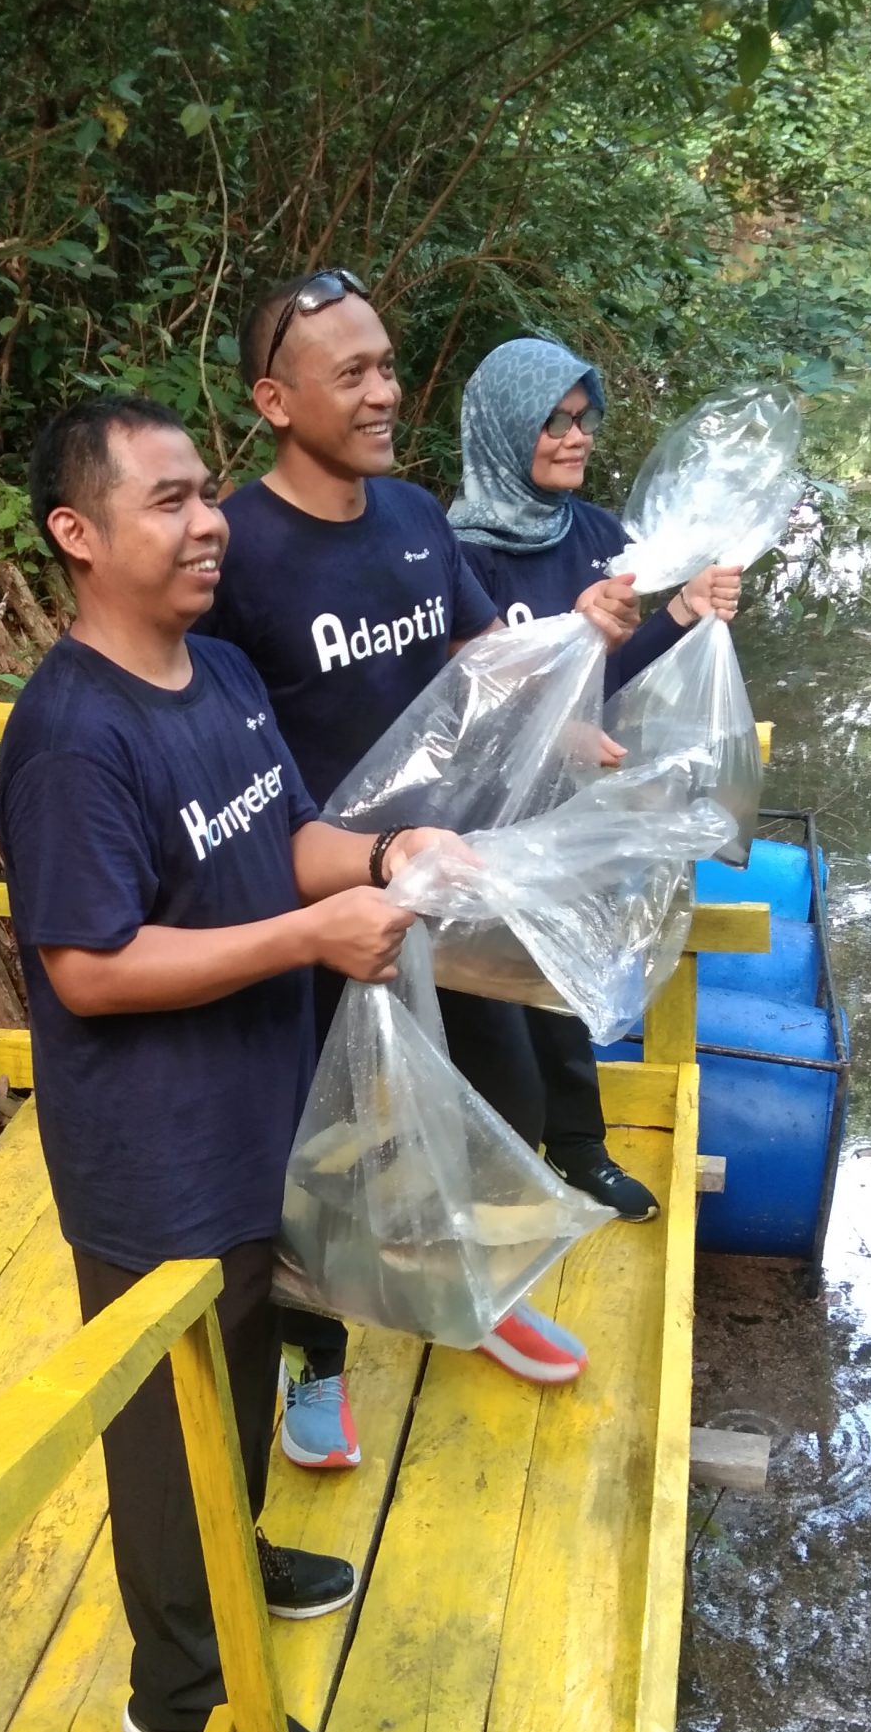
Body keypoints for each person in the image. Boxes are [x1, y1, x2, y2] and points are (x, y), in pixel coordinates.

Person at [0, 393, 461, 1732]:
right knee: (166, 1412)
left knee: (248, 1359)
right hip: (154, 1149)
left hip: (257, 1108)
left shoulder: (222, 675)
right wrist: (308, 939)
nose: (209, 524)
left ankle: (232, 1557)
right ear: (78, 535)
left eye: (206, 494)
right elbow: (89, 968)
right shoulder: (73, 737)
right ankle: (184, 1691)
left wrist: (381, 859)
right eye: (169, 502)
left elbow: (288, 835)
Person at [196, 271, 611, 1473]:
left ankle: (471, 1289)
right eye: (353, 375)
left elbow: (483, 662)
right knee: (320, 1149)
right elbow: (209, 732)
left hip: (438, 885)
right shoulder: (235, 553)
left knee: (505, 1106)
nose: (384, 392)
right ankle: (315, 1360)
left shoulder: (417, 518)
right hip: (309, 901)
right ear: (275, 401)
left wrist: (580, 655)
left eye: (386, 366)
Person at [448, 335, 743, 1224]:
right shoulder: (455, 551)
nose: (576, 438)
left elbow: (611, 680)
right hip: (481, 815)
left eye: (584, 419)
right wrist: (559, 699)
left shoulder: (600, 537)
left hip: (570, 810)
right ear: (505, 428)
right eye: (554, 422)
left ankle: (581, 1150)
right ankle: (489, 1173)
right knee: (487, 1006)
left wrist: (685, 610)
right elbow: (454, 696)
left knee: (565, 987)